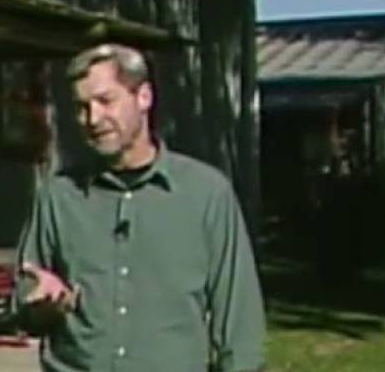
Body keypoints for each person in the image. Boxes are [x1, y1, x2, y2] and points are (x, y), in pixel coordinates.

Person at [14, 43, 266, 372]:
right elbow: (27, 305)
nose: (92, 119)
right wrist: (42, 305)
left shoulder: (206, 194)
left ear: (144, 97)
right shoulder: (59, 196)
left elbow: (239, 325)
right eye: (82, 107)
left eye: (106, 101)